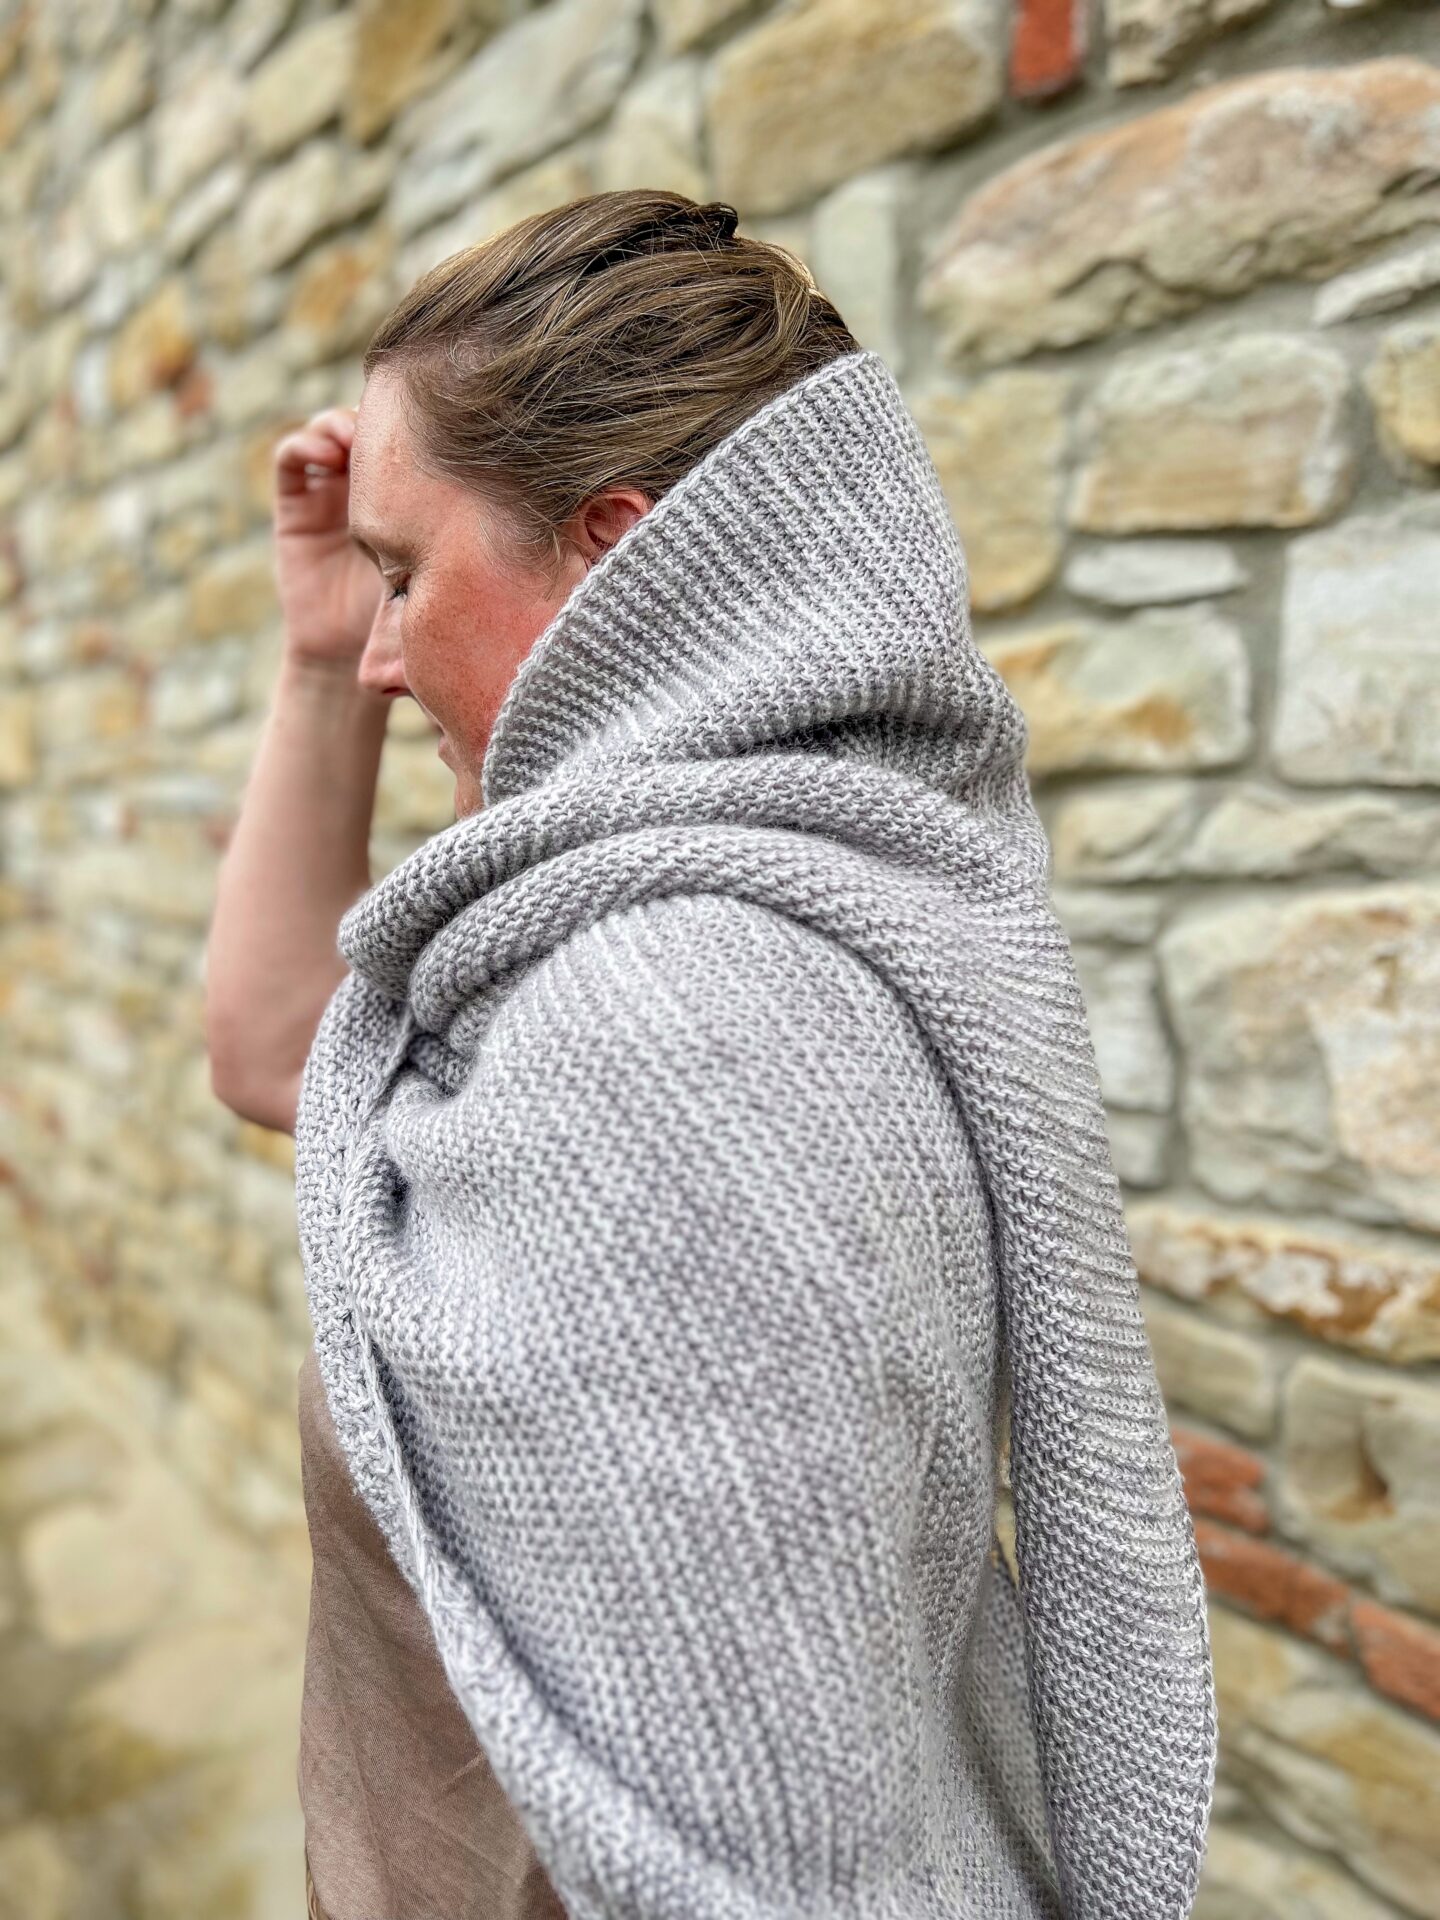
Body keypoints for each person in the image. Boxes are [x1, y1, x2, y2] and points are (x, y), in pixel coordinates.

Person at [205, 189, 1217, 1920]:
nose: (380, 656)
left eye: (404, 576)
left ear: (608, 548)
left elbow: (775, 1843)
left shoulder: (671, 1021)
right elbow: (275, 1051)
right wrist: (312, 654)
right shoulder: (702, 901)